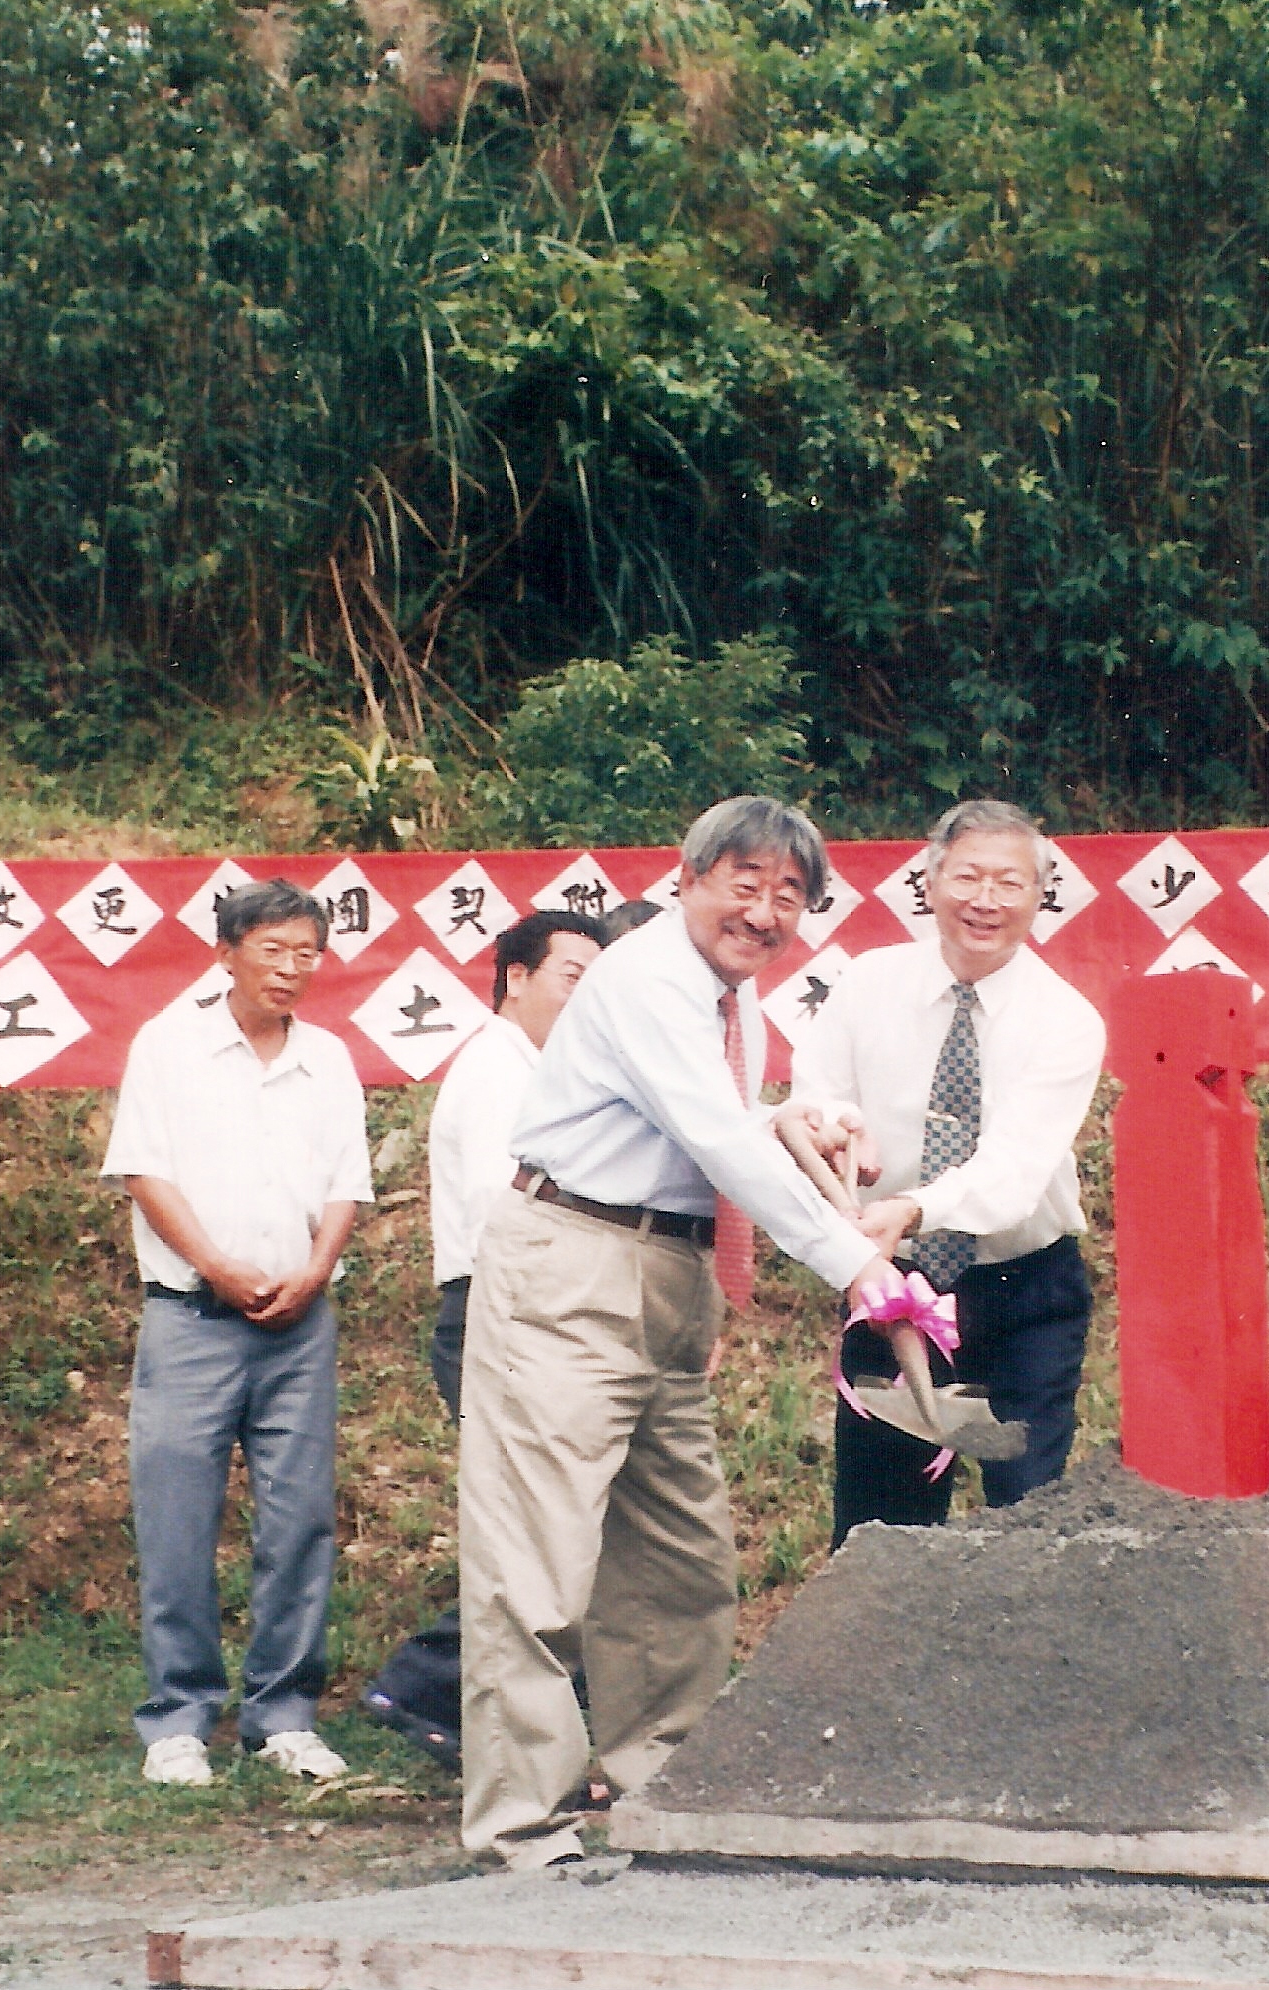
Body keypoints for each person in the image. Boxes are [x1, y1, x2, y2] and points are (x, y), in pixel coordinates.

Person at [462, 796, 903, 1869]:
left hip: (665, 1270)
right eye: (742, 884)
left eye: (787, 896)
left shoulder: (715, 999)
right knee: (539, 1560)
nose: (762, 912)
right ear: (688, 879)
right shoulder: (653, 976)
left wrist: (789, 1124)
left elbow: (703, 1122)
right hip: (572, 1266)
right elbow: (709, 1132)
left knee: (677, 1554)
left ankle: (664, 1788)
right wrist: (858, 1263)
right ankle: (523, 1826)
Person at [101, 879, 371, 1789]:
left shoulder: (328, 1058)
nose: (291, 970)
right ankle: (178, 1716)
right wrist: (217, 1265)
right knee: (177, 1520)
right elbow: (143, 1171)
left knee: (299, 1520)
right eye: (273, 950)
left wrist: (316, 1270)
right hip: (191, 1317)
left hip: (300, 1324)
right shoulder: (170, 1046)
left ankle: (284, 1713)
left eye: (307, 954)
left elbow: (347, 1184)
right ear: (227, 952)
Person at [786, 800, 1109, 1543]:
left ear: (1039, 895)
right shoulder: (868, 983)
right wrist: (836, 1131)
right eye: (967, 877)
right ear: (930, 881)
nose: (985, 901)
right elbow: (819, 1089)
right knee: (881, 1522)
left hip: (1024, 1287)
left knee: (1028, 1515)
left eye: (1009, 882)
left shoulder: (1065, 1018)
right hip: (892, 1283)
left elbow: (1016, 1166)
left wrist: (914, 1206)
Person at [362, 909, 606, 1769]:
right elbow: (508, 1214)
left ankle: (484, 1708)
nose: (587, 998)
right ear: (517, 978)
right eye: (573, 976)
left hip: (527, 1311)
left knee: (548, 1527)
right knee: (538, 1528)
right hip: (499, 1314)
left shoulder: (536, 1069)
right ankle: (427, 1684)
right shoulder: (500, 1071)